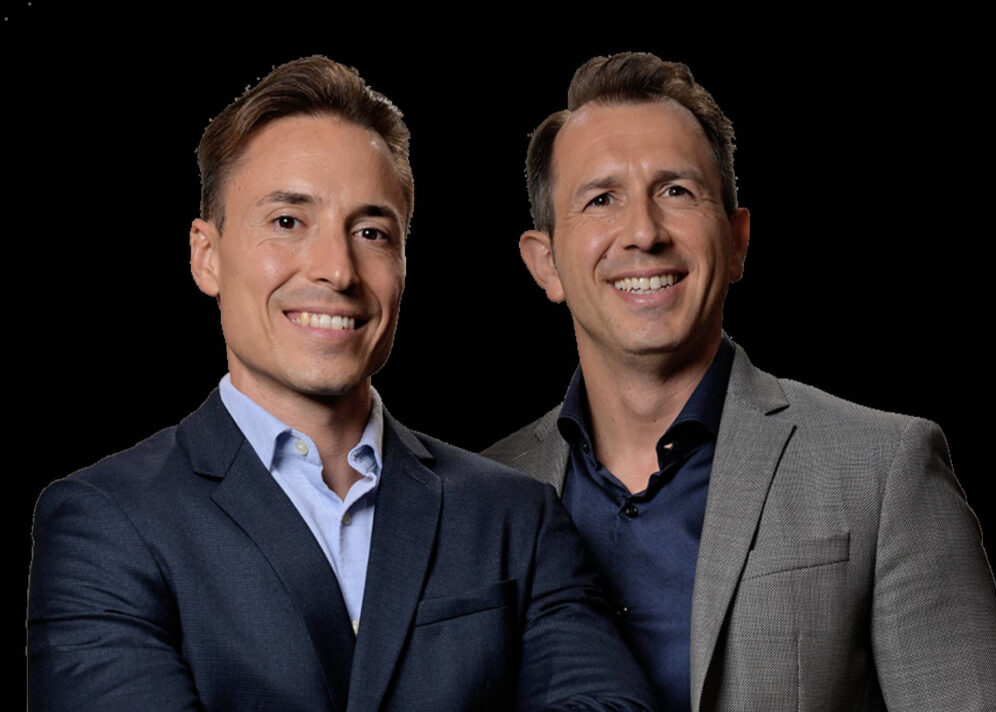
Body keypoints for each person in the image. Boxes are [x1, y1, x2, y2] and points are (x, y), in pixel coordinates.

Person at [27, 56, 655, 712]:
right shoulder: (107, 520)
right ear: (206, 255)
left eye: (371, 232)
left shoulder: (513, 515)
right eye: (288, 222)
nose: (337, 269)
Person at [484, 51, 996, 712]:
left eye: (676, 192)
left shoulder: (884, 471)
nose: (643, 232)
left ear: (737, 240)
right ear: (545, 263)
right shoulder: (480, 497)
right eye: (601, 199)